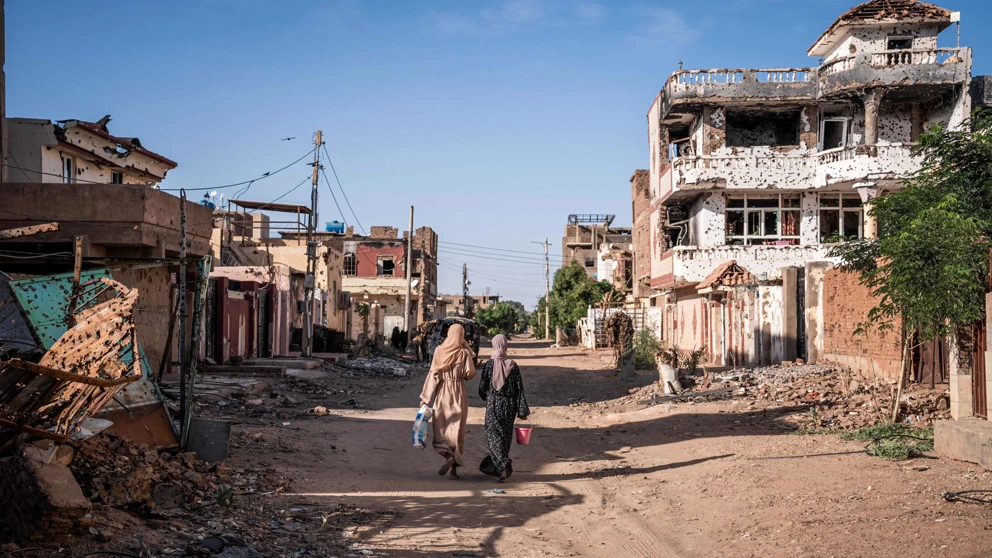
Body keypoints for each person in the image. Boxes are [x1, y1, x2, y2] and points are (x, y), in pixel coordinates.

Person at [419, 323, 476, 479]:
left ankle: (447, 455)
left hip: (442, 393)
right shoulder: (464, 353)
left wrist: (425, 397)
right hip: (458, 393)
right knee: (456, 430)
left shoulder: (439, 351)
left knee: (441, 429)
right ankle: (454, 472)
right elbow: (470, 373)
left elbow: (433, 375)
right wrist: (467, 351)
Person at [478, 334, 529, 483]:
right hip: (510, 406)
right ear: (505, 345)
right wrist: (522, 411)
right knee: (505, 437)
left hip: (494, 404)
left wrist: (483, 396)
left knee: (493, 436)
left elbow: (482, 387)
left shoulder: (489, 365)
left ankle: (502, 466)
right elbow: (519, 390)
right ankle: (502, 464)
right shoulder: (513, 365)